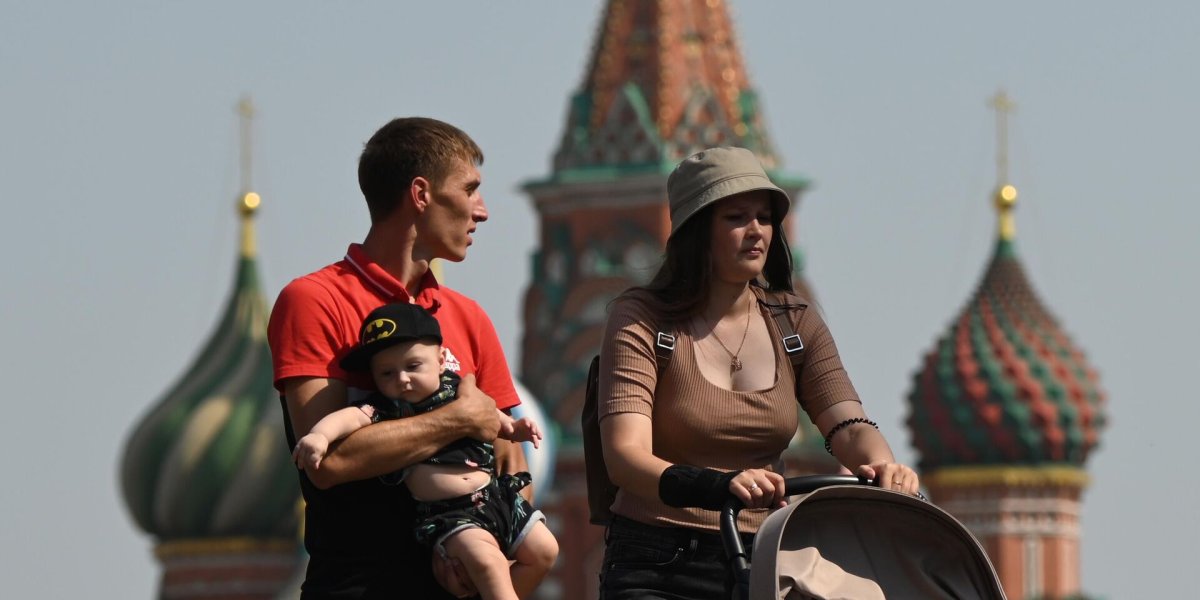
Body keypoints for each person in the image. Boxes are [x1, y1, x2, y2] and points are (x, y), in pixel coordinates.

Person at [596, 146, 921, 600]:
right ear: (696, 229)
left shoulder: (794, 321)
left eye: (764, 218)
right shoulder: (642, 319)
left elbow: (848, 425)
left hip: (765, 557)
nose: (756, 231)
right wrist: (718, 485)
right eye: (736, 218)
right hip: (659, 561)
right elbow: (625, 457)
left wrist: (884, 467)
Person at [268, 117, 530, 599]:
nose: (483, 211)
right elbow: (329, 462)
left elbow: (510, 461)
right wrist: (457, 418)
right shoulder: (313, 300)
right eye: (470, 189)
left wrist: (492, 557)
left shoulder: (469, 316)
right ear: (421, 194)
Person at [292, 302, 557, 600]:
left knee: (545, 550)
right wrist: (319, 436)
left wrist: (514, 428)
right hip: (454, 514)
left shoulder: (458, 389)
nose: (402, 379)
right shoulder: (388, 408)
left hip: (498, 500)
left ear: (442, 361)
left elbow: (493, 417)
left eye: (413, 366)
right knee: (488, 562)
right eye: (386, 373)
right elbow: (349, 418)